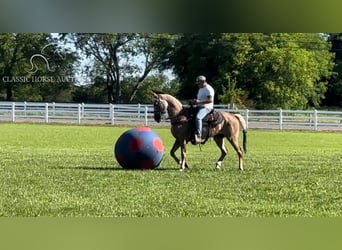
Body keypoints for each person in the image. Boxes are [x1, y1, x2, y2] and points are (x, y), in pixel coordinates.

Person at [191, 75, 215, 144]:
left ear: (203, 82)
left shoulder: (208, 89)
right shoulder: (200, 89)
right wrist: (195, 101)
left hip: (207, 107)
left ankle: (199, 135)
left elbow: (210, 100)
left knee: (198, 118)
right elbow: (200, 99)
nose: (198, 85)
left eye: (199, 83)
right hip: (199, 106)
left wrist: (199, 102)